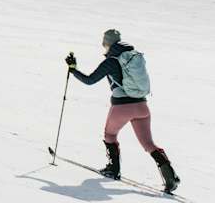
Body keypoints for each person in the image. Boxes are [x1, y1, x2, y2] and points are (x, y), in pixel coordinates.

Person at [66, 29, 180, 194]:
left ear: (107, 43)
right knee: (148, 144)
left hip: (122, 107)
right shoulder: (133, 57)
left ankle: (113, 170)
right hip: (142, 107)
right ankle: (171, 177)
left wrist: (73, 69)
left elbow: (90, 80)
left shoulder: (111, 61)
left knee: (110, 135)